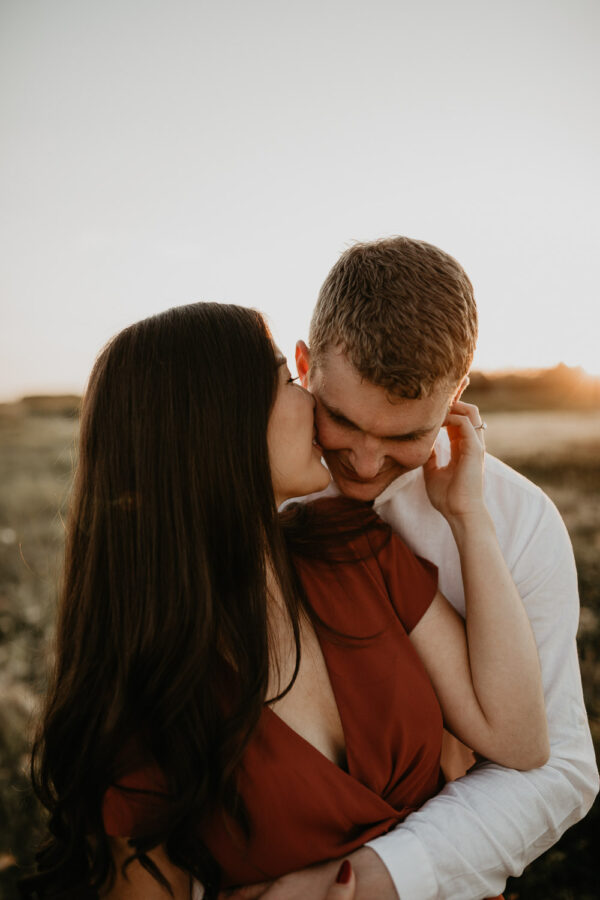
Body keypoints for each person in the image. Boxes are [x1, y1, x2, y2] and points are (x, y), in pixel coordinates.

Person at [25, 301, 548, 900]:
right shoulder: (145, 712)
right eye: (285, 379)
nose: (309, 399)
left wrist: (469, 514)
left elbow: (520, 740)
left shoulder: (354, 547)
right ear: (220, 427)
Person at [228, 236, 598, 900]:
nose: (366, 465)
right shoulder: (252, 490)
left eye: (403, 436)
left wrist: (378, 878)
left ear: (458, 392)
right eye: (342, 421)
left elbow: (560, 768)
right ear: (306, 365)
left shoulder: (520, 523)